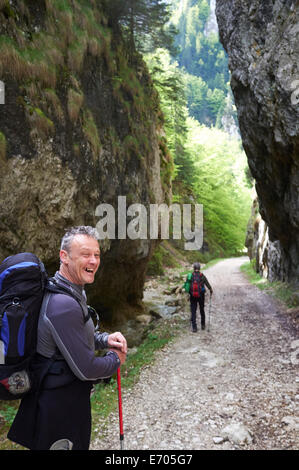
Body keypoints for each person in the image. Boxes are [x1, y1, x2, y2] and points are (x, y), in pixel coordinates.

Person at [8, 226, 127, 450]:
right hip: (58, 411)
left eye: (97, 255)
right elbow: (87, 369)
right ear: (64, 257)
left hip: (64, 400)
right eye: (85, 254)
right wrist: (116, 358)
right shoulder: (63, 304)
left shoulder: (70, 290)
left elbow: (74, 336)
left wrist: (104, 340)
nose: (93, 261)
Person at [183, 262, 213, 332]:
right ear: (199, 268)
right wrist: (211, 290)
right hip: (201, 295)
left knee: (193, 310)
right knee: (201, 309)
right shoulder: (202, 275)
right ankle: (203, 325)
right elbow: (207, 284)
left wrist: (188, 292)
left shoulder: (190, 275)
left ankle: (194, 327)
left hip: (192, 295)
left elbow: (186, 285)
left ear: (194, 268)